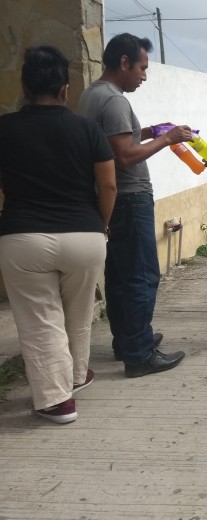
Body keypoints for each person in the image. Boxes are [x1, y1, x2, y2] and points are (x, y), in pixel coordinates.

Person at [0, 46, 117, 423]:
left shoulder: (4, 129)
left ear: (24, 86)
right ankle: (75, 376)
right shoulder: (88, 129)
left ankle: (56, 400)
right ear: (65, 90)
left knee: (40, 319)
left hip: (23, 237)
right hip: (84, 235)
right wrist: (100, 225)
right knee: (78, 312)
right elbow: (109, 186)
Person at [78, 33, 189, 378]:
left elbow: (118, 141)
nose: (144, 75)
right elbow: (123, 156)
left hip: (116, 200)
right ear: (123, 63)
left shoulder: (91, 96)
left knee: (122, 275)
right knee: (142, 276)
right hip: (130, 197)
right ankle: (140, 353)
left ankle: (127, 340)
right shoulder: (114, 101)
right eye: (141, 67)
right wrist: (167, 138)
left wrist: (151, 130)